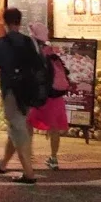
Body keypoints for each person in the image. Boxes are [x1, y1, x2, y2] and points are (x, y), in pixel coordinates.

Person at [0, 7, 43, 184]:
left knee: (18, 127)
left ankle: (29, 172)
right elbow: (38, 65)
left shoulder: (1, 44)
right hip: (28, 91)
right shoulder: (29, 42)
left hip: (11, 90)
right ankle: (3, 164)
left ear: (5, 22)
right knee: (16, 125)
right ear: (19, 21)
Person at [26, 22, 70, 170]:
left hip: (42, 98)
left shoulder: (36, 54)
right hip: (56, 97)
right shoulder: (52, 53)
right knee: (54, 129)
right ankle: (53, 158)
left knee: (27, 123)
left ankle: (28, 155)